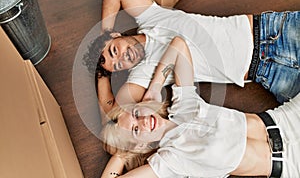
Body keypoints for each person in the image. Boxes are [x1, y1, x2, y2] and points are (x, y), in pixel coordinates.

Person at [83, 0, 299, 116]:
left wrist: (104, 35)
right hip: (270, 75)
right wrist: (101, 72)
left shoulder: (151, 18)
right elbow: (113, 113)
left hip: (272, 33)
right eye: (119, 65)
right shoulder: (142, 76)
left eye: (114, 51)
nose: (123, 58)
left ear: (116, 35)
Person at [99, 36, 300, 178]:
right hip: (292, 162)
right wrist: (123, 151)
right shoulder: (171, 160)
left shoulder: (184, 107)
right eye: (136, 130)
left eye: (135, 114)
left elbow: (179, 46)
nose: (143, 121)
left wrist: (154, 88)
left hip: (287, 118)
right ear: (141, 146)